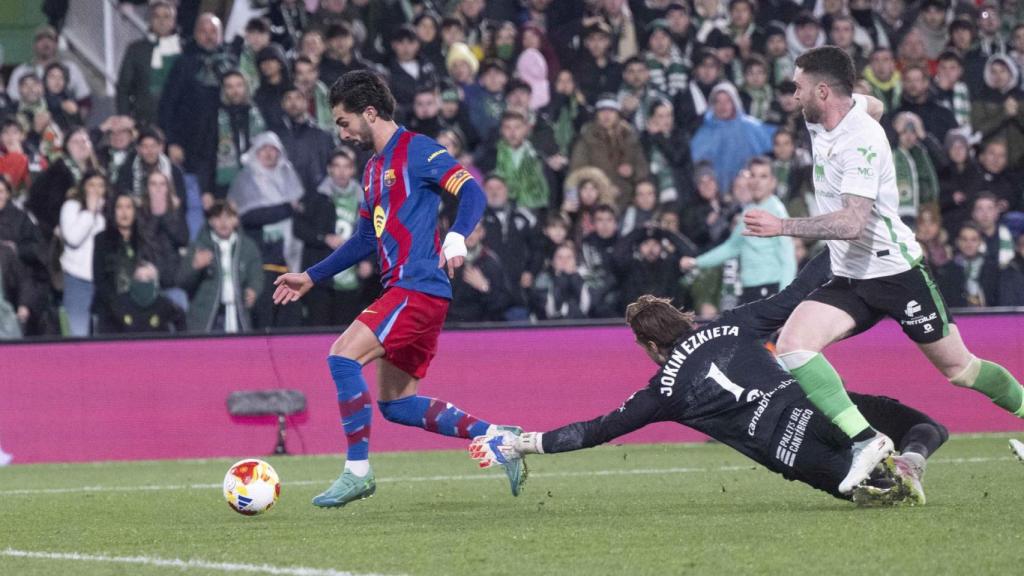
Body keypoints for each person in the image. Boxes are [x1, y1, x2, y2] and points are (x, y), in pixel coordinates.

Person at [743, 46, 1024, 496]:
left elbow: (852, 223)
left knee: (961, 370)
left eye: (798, 87)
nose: (793, 96)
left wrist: (783, 227)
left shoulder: (861, 141)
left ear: (821, 90)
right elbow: (870, 103)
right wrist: (866, 103)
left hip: (895, 272)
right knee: (794, 346)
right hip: (851, 277)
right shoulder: (823, 117)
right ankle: (867, 439)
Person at [471, 250, 947, 506]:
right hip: (820, 411)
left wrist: (523, 443)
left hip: (791, 456)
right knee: (927, 428)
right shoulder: (734, 324)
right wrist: (844, 241)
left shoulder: (663, 391)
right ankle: (910, 459)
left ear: (651, 347)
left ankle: (890, 475)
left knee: (884, 500)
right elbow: (801, 289)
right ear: (683, 319)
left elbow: (596, 431)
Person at [270, 71, 522, 507]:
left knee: (342, 356)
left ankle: (357, 472)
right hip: (411, 291)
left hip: (417, 285)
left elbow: (473, 193)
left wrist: (458, 235)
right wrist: (310, 276)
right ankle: (500, 437)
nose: (342, 132)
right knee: (396, 404)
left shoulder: (418, 150)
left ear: (370, 113)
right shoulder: (371, 171)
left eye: (345, 121)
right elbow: (365, 240)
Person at [681, 157, 795, 304]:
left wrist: (784, 299)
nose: (757, 181)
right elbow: (732, 247)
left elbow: (788, 257)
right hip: (749, 290)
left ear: (773, 182)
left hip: (770, 289)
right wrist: (696, 262)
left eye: (763, 176)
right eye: (753, 175)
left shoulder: (777, 211)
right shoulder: (748, 210)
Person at [293, 148, 374, 327]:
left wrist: (368, 261)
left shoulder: (366, 199)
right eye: (337, 166)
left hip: (352, 281)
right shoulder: (316, 197)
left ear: (353, 170)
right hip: (321, 279)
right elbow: (299, 228)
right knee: (319, 332)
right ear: (329, 169)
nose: (341, 172)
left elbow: (375, 232)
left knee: (346, 334)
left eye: (346, 166)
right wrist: (324, 238)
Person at [177, 201, 262, 333]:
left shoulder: (247, 247)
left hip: (238, 313)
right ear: (210, 221)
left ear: (236, 220)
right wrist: (195, 266)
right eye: (217, 217)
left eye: (228, 217)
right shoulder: (199, 246)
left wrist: (253, 290)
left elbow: (256, 274)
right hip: (208, 316)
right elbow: (182, 281)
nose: (223, 222)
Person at [116, 0, 182, 127]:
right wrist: (125, 118)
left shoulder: (184, 50)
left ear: (174, 21)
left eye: (166, 16)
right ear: (150, 20)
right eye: (157, 16)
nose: (161, 21)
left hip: (179, 121)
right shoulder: (136, 49)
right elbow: (123, 88)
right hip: (145, 120)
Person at [59, 171, 107, 337]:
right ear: (83, 187)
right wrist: (90, 212)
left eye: (100, 185)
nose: (96, 190)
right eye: (91, 185)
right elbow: (73, 238)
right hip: (77, 279)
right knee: (77, 335)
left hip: (103, 281)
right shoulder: (71, 207)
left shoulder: (109, 212)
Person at [96, 261, 186, 334]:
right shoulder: (118, 305)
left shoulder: (166, 306)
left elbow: (182, 330)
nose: (144, 282)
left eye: (149, 278)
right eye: (139, 278)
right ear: (131, 281)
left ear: (156, 282)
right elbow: (105, 335)